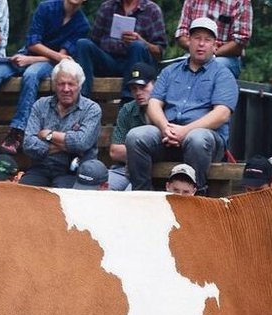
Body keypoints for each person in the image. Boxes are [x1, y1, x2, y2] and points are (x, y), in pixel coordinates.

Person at [122, 17, 236, 193]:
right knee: (136, 136)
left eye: (207, 40)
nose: (201, 44)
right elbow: (153, 103)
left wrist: (185, 131)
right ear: (189, 42)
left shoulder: (223, 74)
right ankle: (142, 195)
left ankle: (197, 195)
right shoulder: (169, 71)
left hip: (205, 142)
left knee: (196, 138)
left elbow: (221, 114)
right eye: (197, 38)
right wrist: (165, 127)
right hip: (168, 135)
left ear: (215, 46)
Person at [0, 0, 89, 158]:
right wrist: (34, 58)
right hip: (27, 54)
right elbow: (33, 43)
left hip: (47, 64)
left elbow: (61, 59)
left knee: (31, 75)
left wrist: (32, 60)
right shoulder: (46, 7)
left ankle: (17, 132)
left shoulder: (82, 23)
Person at [19, 58, 100, 187]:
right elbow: (28, 144)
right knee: (23, 193)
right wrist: (65, 146)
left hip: (73, 171)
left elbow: (81, 143)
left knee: (64, 193)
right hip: (41, 168)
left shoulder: (91, 109)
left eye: (71, 84)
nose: (66, 89)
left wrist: (47, 135)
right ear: (54, 85)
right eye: (61, 84)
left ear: (79, 85)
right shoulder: (40, 105)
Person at [72, 0, 166, 97]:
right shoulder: (107, 7)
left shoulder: (152, 10)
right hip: (109, 61)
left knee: (137, 46)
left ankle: (128, 99)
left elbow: (159, 52)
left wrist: (141, 41)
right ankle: (81, 97)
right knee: (83, 44)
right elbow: (93, 41)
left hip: (136, 65)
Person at [106, 60, 156, 191]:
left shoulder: (166, 108)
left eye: (143, 87)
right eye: (134, 89)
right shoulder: (128, 109)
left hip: (156, 171)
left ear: (155, 85)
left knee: (131, 195)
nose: (138, 92)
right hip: (123, 169)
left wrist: (134, 153)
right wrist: (142, 154)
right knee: (101, 188)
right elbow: (114, 151)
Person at [174, 0, 251, 79]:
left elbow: (240, 41)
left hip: (226, 57)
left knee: (210, 68)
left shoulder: (241, 1)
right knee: (174, 68)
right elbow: (181, 34)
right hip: (193, 55)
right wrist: (198, 49)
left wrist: (210, 52)